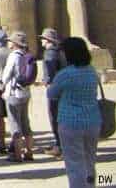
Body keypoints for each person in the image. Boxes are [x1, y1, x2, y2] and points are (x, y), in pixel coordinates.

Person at [48, 37, 101, 188]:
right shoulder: (92, 71)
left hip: (70, 122)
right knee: (90, 161)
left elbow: (51, 94)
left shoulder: (65, 74)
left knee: (74, 165)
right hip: (92, 121)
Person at [2, 31, 34, 163]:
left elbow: (6, 75)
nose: (8, 43)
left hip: (14, 93)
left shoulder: (13, 56)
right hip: (25, 92)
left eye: (10, 41)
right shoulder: (27, 55)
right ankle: (29, 152)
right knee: (25, 122)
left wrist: (3, 85)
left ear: (14, 44)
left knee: (15, 124)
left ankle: (17, 155)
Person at [40, 28, 66, 158]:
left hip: (54, 89)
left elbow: (51, 71)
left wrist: (47, 80)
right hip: (62, 88)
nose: (42, 40)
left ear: (48, 40)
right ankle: (60, 144)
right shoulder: (61, 52)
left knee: (55, 118)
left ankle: (60, 146)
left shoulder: (49, 53)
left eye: (43, 38)